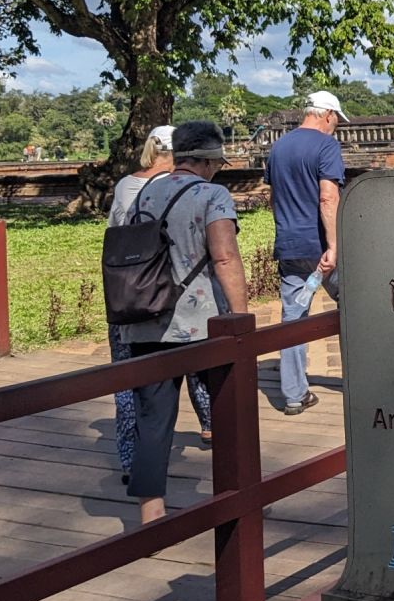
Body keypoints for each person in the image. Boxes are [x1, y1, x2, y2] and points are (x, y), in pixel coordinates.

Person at [122, 122, 247, 524]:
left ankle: (150, 512)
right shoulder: (212, 195)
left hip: (147, 318)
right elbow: (225, 256)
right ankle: (236, 494)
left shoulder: (144, 192)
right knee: (230, 409)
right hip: (202, 321)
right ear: (207, 161)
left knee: (152, 417)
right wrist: (241, 317)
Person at [108, 124, 213, 481]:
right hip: (181, 296)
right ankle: (211, 425)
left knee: (132, 383)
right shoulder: (193, 189)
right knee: (200, 369)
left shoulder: (128, 187)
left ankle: (134, 461)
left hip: (132, 293)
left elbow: (117, 236)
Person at [263, 89, 347, 415]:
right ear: (327, 114)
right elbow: (328, 198)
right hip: (321, 247)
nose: (336, 126)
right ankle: (361, 379)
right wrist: (334, 246)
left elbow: (274, 199)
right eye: (337, 120)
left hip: (290, 246)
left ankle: (295, 395)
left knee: (293, 319)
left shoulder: (278, 147)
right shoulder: (326, 145)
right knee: (355, 307)